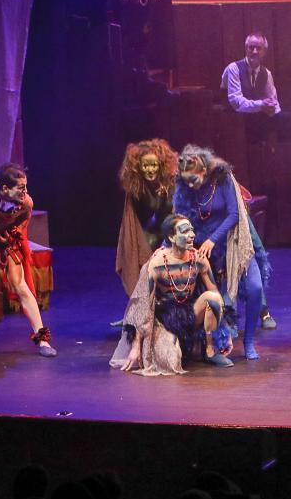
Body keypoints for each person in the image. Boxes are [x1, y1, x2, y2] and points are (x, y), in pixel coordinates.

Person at [110, 214, 235, 374]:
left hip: (190, 313)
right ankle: (173, 344)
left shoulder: (198, 259)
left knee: (214, 298)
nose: (192, 235)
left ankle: (210, 351)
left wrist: (225, 333)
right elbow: (143, 306)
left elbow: (215, 295)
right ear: (172, 237)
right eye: (185, 231)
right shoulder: (157, 264)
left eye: (192, 230)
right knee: (171, 359)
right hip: (164, 319)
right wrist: (136, 346)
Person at [172, 145, 265, 359]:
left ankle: (249, 341)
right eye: (186, 180)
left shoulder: (223, 178)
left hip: (232, 242)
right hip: (200, 247)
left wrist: (213, 240)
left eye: (193, 179)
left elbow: (234, 214)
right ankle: (210, 343)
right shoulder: (185, 187)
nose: (190, 185)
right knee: (210, 295)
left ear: (204, 171)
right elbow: (180, 217)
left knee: (255, 287)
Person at [0, 164, 56, 358]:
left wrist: (9, 235)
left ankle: (42, 339)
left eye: (26, 186)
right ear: (5, 189)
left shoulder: (26, 203)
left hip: (6, 237)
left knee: (20, 284)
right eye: (20, 188)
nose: (25, 191)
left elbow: (23, 222)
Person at [115, 139, 178, 297]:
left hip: (169, 230)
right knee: (147, 250)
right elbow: (144, 212)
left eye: (154, 165)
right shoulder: (136, 186)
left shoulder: (170, 182)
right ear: (138, 167)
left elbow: (170, 212)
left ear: (161, 166)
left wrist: (165, 194)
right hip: (148, 232)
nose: (150, 170)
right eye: (146, 166)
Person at [220, 33, 281, 117]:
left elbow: (273, 100)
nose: (254, 51)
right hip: (232, 116)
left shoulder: (267, 73)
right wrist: (261, 104)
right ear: (246, 49)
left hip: (255, 116)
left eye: (258, 48)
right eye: (251, 48)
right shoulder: (233, 68)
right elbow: (236, 102)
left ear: (264, 51)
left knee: (285, 118)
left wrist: (273, 108)